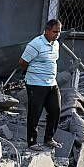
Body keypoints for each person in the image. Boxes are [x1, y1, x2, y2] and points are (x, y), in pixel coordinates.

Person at [19, 19, 63, 150]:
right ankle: (32, 142)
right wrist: (33, 73)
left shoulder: (56, 44)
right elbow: (22, 62)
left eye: (59, 32)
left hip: (51, 83)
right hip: (36, 83)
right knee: (35, 113)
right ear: (47, 31)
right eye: (55, 32)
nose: (57, 35)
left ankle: (49, 139)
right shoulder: (35, 44)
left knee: (55, 110)